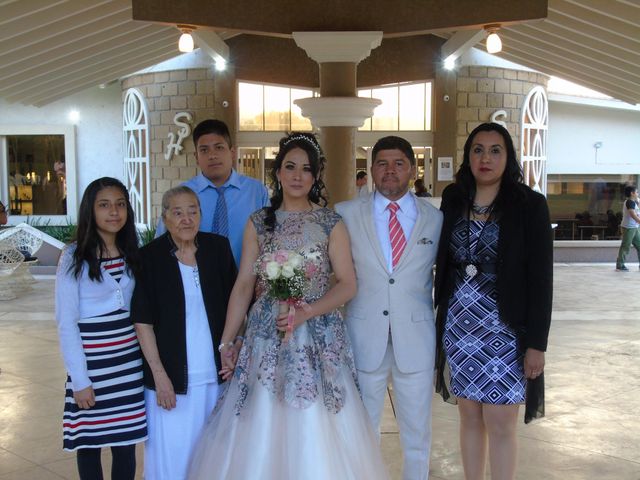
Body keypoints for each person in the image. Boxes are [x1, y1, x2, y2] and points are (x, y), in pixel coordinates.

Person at [188, 133, 389, 479]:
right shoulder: (259, 222)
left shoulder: (330, 223)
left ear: (315, 177)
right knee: (263, 414)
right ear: (278, 172)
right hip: (266, 333)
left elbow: (348, 284)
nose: (297, 175)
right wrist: (227, 340)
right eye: (290, 167)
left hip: (318, 332)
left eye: (306, 169)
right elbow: (244, 286)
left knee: (316, 420)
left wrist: (309, 310)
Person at [434, 123, 553, 480]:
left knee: (501, 421)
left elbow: (542, 279)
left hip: (506, 329)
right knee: (469, 416)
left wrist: (537, 343)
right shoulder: (454, 199)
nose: (486, 158)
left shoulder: (529, 205)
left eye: (495, 150)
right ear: (468, 156)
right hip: (459, 326)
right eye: (478, 150)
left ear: (508, 157)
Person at [335, 135, 443, 480]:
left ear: (412, 168)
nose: (390, 170)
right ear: (371, 169)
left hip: (416, 336)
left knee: (417, 434)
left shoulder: (435, 218)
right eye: (382, 163)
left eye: (398, 163)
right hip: (364, 335)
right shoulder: (346, 213)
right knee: (363, 431)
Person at [131, 186, 237, 480]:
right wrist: (159, 376)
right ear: (165, 218)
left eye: (193, 211)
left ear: (201, 215)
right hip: (171, 381)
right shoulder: (149, 258)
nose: (186, 219)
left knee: (213, 454)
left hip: (216, 375)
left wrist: (236, 344)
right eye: (177, 213)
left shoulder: (218, 248)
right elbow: (143, 321)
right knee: (173, 456)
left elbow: (237, 303)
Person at [54, 177, 147, 480]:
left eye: (120, 204)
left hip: (128, 366)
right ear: (90, 210)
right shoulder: (73, 257)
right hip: (92, 368)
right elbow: (66, 323)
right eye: (104, 205)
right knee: (90, 445)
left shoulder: (134, 251)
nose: (114, 212)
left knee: (125, 445)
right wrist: (80, 379)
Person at [155, 119, 269, 266]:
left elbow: (270, 241)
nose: (212, 155)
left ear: (232, 153)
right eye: (204, 150)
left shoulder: (256, 191)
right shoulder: (182, 195)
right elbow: (162, 242)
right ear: (196, 157)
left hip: (246, 280)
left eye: (219, 148)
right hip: (195, 282)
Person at [615, 185, 640, 272]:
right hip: (629, 228)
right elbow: (632, 214)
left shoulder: (634, 202)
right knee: (626, 246)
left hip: (634, 227)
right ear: (632, 193)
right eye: (636, 192)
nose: (637, 193)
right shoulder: (629, 202)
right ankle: (620, 265)